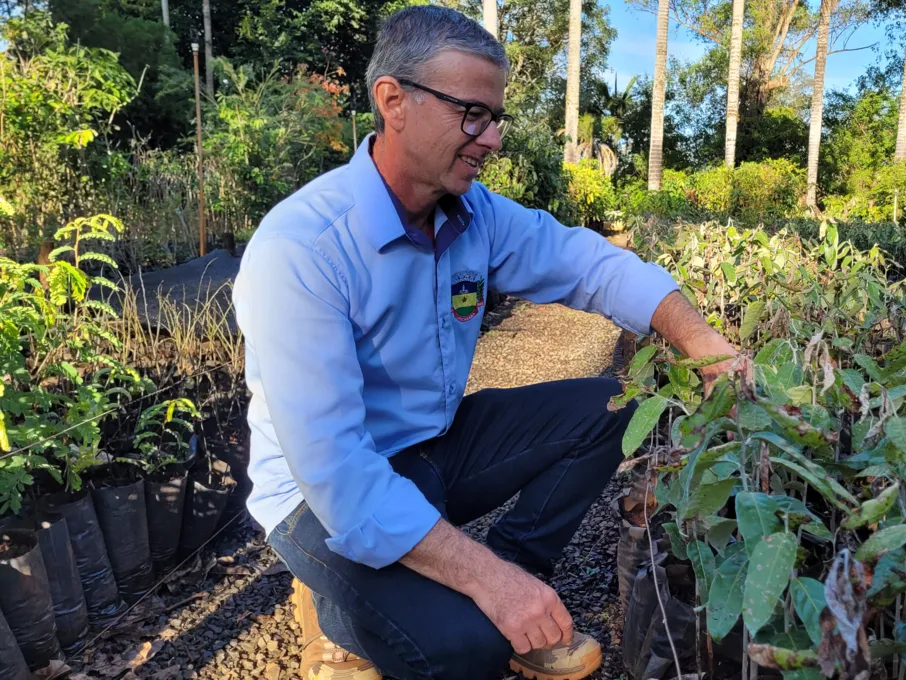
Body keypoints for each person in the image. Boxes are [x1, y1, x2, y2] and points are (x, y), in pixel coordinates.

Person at [232, 5, 742, 680]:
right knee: (467, 648)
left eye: (496, 117)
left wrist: (706, 345)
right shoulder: (303, 251)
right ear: (394, 102)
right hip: (317, 495)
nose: (493, 139)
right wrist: (489, 588)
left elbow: (592, 265)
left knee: (616, 407)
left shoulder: (476, 217)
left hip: (431, 446)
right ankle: (336, 616)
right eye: (473, 114)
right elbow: (341, 477)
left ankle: (514, 585)